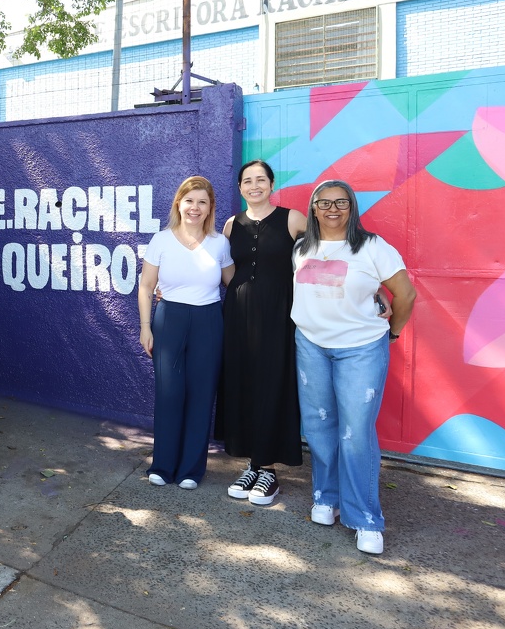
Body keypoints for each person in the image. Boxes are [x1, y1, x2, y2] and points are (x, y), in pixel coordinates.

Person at [292, 180, 416, 555]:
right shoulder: (301, 247)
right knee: (318, 426)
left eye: (340, 202)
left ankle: (365, 518)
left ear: (352, 207)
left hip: (360, 349)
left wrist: (392, 333)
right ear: (313, 209)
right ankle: (325, 499)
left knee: (356, 432)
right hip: (311, 345)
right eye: (324, 203)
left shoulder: (373, 246)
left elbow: (406, 295)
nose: (332, 209)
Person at [217, 161, 308, 506]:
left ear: (271, 184)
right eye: (247, 181)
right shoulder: (230, 225)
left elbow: (326, 255)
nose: (254, 186)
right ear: (240, 187)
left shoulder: (293, 218)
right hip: (238, 317)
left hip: (278, 316)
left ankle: (268, 468)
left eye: (261, 180)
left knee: (273, 384)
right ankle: (253, 464)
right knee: (244, 383)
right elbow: (221, 268)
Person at [137, 176, 233, 490]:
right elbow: (146, 287)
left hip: (208, 321)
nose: (195, 207)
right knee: (169, 393)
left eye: (202, 202)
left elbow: (235, 284)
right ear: (179, 203)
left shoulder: (220, 243)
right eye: (189, 200)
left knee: (201, 395)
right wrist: (145, 327)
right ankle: (163, 465)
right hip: (169, 320)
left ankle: (192, 469)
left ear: (209, 208)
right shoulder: (161, 239)